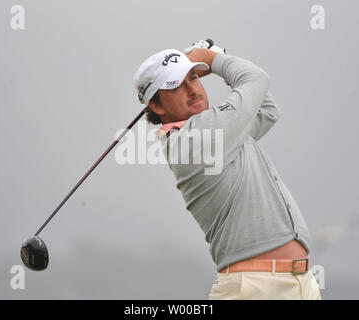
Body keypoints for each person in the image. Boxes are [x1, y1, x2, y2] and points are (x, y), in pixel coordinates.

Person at [133, 40, 322, 300]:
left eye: (194, 78)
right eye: (177, 86)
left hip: (299, 283)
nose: (193, 90)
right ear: (156, 106)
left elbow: (267, 110)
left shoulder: (219, 134)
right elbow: (256, 79)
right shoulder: (196, 136)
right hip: (253, 287)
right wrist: (215, 60)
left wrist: (218, 57)